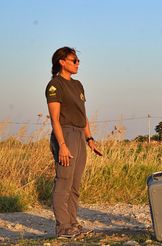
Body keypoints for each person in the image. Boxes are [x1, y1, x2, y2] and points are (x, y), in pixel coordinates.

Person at [45, 47, 102, 238]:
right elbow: (55, 120)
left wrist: (90, 138)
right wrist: (62, 144)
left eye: (78, 61)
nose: (78, 63)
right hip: (65, 133)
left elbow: (82, 115)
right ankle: (62, 228)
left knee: (75, 183)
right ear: (62, 62)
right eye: (74, 60)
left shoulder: (78, 85)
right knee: (64, 181)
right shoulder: (55, 85)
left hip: (79, 134)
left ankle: (72, 224)